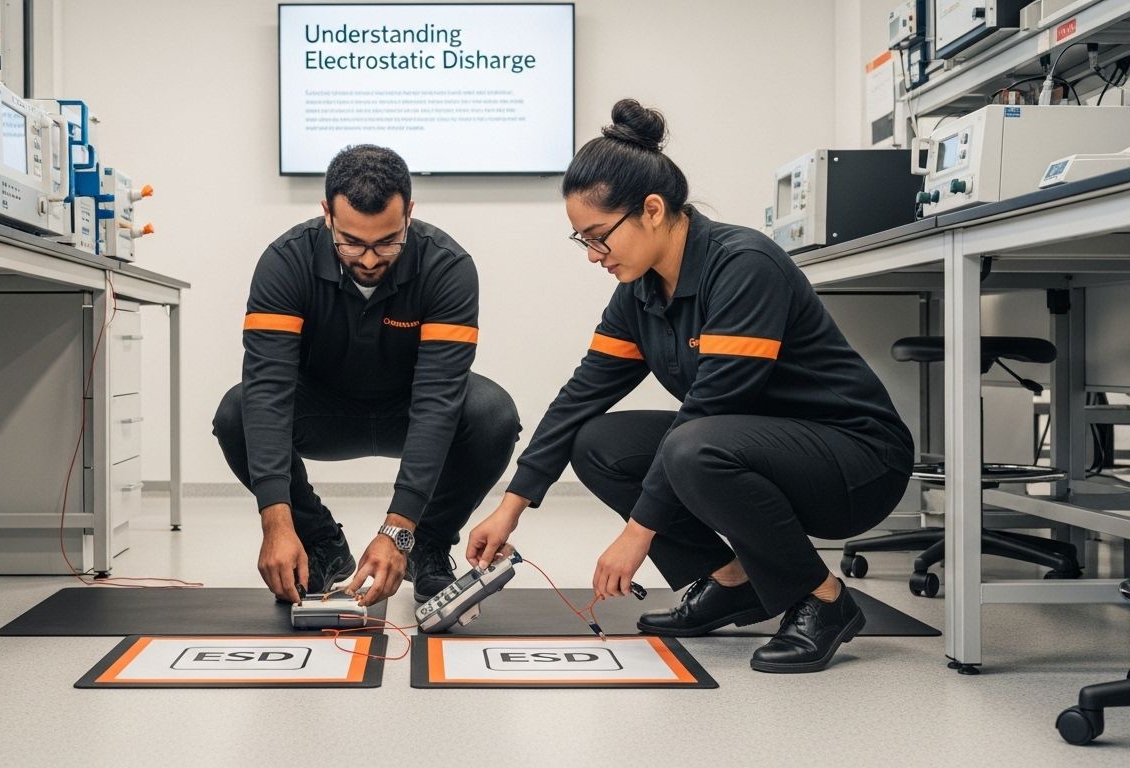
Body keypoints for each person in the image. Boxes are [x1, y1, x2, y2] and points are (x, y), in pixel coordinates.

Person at [466, 100, 914, 673]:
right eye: (583, 241)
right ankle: (733, 581)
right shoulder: (641, 292)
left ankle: (823, 600)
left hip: (855, 462)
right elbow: (580, 397)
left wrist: (637, 534)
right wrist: (511, 506)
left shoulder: (744, 266)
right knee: (596, 442)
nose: (593, 255)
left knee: (692, 442)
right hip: (758, 447)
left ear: (652, 210)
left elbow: (714, 405)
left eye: (599, 236)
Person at [214, 144, 520, 607]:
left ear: (410, 214)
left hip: (410, 409)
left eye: (387, 241)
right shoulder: (285, 262)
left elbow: (438, 400)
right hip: (323, 411)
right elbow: (269, 391)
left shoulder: (447, 267)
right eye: (352, 242)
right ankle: (322, 543)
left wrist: (399, 532)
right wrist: (276, 523)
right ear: (327, 215)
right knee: (238, 411)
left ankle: (427, 546)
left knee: (493, 413)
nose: (371, 259)